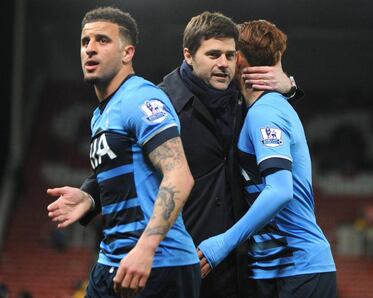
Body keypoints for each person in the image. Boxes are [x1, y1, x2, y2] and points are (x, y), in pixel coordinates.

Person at [59, 11, 300, 298]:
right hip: (180, 257)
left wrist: (289, 89)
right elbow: (124, 158)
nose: (224, 64)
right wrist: (89, 195)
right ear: (188, 55)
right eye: (213, 55)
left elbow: (276, 122)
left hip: (233, 260)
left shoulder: (242, 100)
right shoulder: (161, 102)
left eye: (230, 55)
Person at [46, 7, 200, 298]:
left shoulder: (141, 98)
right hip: (112, 260)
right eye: (85, 42)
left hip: (159, 265)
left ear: (127, 53)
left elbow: (179, 176)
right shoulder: (100, 115)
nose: (90, 49)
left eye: (102, 40)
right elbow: (125, 173)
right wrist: (90, 198)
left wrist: (145, 249)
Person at [197, 20, 337, 298]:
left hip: (298, 268)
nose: (224, 61)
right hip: (276, 268)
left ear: (239, 58)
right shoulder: (264, 107)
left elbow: (280, 191)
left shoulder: (265, 112)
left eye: (229, 54)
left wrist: (224, 243)